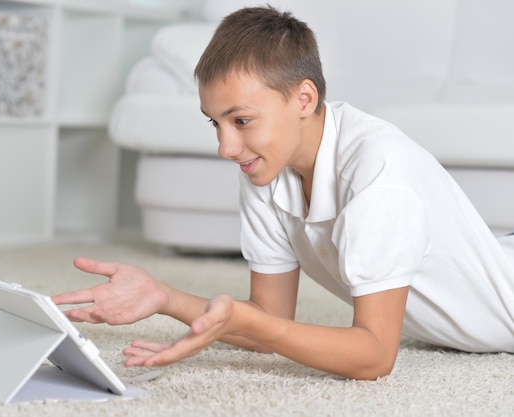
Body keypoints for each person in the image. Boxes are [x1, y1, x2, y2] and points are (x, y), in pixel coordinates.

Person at [52, 6, 514, 380]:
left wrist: (249, 321)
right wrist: (164, 298)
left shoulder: (379, 174)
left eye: (242, 121)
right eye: (216, 123)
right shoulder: (264, 167)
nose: (226, 147)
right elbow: (269, 317)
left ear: (304, 99)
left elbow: (374, 356)